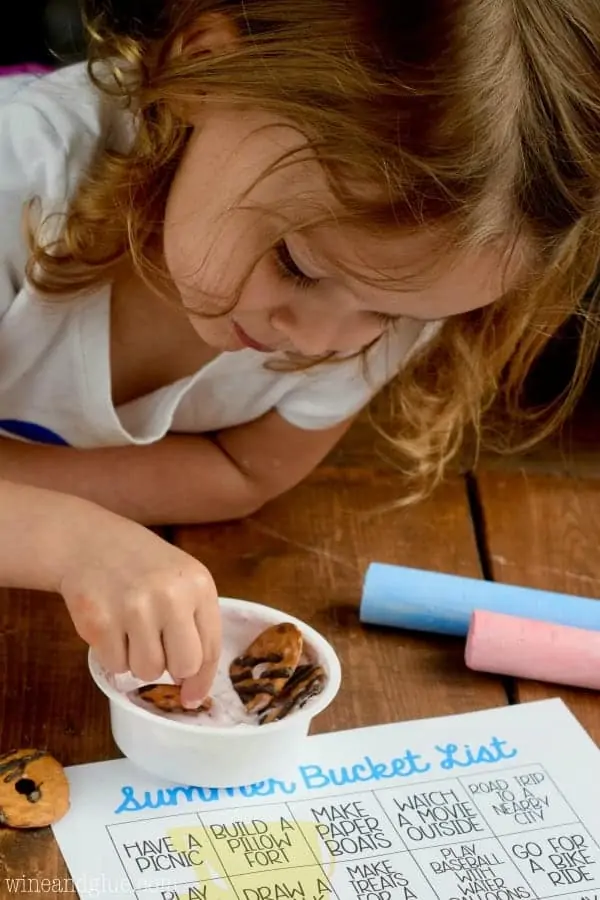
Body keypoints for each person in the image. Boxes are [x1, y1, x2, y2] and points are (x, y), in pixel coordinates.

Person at [0, 0, 598, 706]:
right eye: (298, 266)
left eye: (392, 314)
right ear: (206, 66)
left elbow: (246, 468)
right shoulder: (19, 184)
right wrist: (68, 541)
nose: (319, 343)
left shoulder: (400, 284)